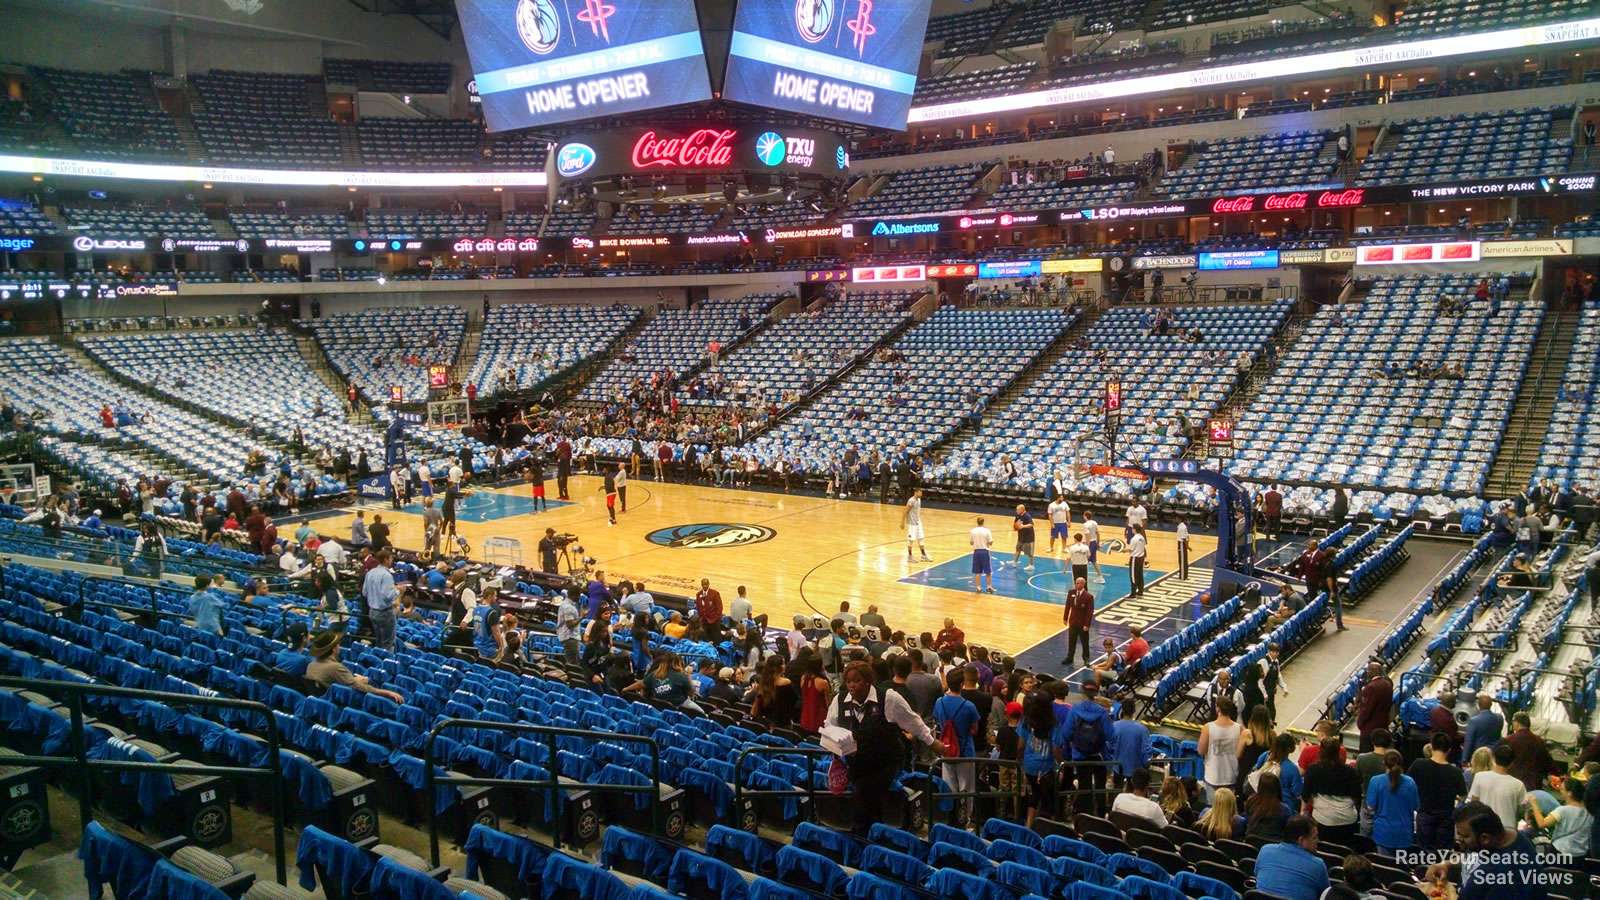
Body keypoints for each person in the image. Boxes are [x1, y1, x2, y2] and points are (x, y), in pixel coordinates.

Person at [826, 660, 945, 834]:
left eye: (856, 681)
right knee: (871, 808)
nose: (851, 685)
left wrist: (931, 742)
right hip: (856, 763)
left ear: (868, 681)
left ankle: (861, 840)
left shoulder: (888, 698)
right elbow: (829, 725)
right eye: (848, 681)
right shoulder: (840, 700)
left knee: (862, 808)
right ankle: (876, 836)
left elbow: (913, 721)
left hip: (884, 763)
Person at [1424, 804, 1548, 900]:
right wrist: (1446, 865)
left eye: (1465, 836)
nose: (1459, 840)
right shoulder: (1502, 837)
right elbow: (1475, 858)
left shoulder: (1505, 878)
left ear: (1485, 838)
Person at [933, 670, 980, 828]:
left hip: (946, 751)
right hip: (965, 753)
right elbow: (974, 730)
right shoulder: (969, 706)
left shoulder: (939, 702)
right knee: (967, 790)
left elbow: (938, 721)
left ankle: (951, 820)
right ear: (962, 684)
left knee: (950, 788)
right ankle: (964, 822)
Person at [304, 630, 405, 701]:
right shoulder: (335, 668)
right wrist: (387, 693)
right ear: (334, 649)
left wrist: (355, 680)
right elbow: (358, 688)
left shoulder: (311, 665)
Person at [1411, 731, 1467, 850]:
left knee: (1423, 852)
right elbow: (1463, 796)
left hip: (1424, 815)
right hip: (1446, 819)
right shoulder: (1455, 772)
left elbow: (1408, 784)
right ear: (1449, 750)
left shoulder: (1418, 765)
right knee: (1443, 854)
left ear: (1431, 746)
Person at [1253, 816, 1330, 900]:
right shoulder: (1318, 865)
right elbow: (1326, 896)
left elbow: (1256, 875)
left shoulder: (1265, 850)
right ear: (1301, 840)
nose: (1317, 840)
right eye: (1314, 837)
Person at [1304, 736, 1363, 845]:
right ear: (1338, 751)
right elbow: (1357, 797)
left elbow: (1305, 796)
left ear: (1321, 750)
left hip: (1322, 820)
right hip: (1347, 821)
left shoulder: (1313, 769)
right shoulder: (1350, 771)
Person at [1017, 690, 1062, 827]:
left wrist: (1019, 761)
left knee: (1035, 794)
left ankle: (1028, 825)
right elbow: (1056, 748)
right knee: (1051, 797)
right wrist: (1061, 764)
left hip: (1029, 766)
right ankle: (1053, 826)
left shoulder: (1026, 721)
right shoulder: (1053, 723)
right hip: (1047, 767)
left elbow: (1020, 745)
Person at [1365, 749, 1419, 854]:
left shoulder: (1376, 781)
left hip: (1383, 832)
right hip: (1404, 833)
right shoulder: (1410, 782)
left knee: (1384, 863)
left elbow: (1370, 807)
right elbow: (1416, 806)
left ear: (1384, 763)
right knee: (1401, 863)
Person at [1525, 775, 1592, 858]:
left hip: (1561, 852)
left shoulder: (1562, 810)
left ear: (1569, 793)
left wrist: (1534, 805)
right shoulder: (1589, 812)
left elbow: (1542, 823)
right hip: (1581, 854)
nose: (1560, 790)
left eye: (1562, 789)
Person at [1467, 742, 1528, 831]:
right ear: (1512, 763)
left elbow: (1474, 803)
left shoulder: (1479, 777)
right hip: (1507, 829)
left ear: (1494, 759)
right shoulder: (1518, 785)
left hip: (1483, 826)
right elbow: (1520, 810)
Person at [1198, 696, 1242, 802]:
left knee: (1214, 809)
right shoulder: (1239, 728)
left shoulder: (1208, 728)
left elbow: (1201, 751)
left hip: (1213, 776)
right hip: (1231, 776)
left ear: (1217, 708)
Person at [1293, 538, 1343, 629]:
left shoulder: (1322, 556)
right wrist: (1299, 577)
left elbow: (1323, 571)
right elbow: (1303, 566)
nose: (1308, 546)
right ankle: (1316, 618)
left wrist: (1322, 582)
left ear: (1315, 546)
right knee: (1314, 600)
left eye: (1310, 545)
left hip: (1318, 582)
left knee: (1320, 601)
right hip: (1309, 580)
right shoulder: (1305, 554)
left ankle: (1319, 616)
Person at [362, 549, 403, 652]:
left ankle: (377, 659)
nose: (391, 560)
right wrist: (399, 590)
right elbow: (388, 596)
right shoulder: (386, 575)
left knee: (379, 641)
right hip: (384, 613)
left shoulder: (370, 573)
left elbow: (364, 592)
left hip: (372, 612)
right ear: (386, 560)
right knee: (388, 643)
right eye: (390, 558)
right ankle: (386, 661)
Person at [1503, 711, 1555, 791]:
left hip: (1514, 784)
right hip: (1534, 785)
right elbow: (1547, 762)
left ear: (1517, 723)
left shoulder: (1508, 740)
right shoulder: (1540, 742)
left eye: (1513, 721)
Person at [1110, 702, 1152, 785]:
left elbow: (1108, 746)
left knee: (1117, 791)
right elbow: (1147, 749)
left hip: (1118, 768)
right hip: (1136, 770)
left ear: (1122, 710)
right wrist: (1145, 765)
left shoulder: (1114, 726)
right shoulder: (1142, 729)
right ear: (1134, 710)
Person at [750, 656, 797, 729]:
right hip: (782, 723)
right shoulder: (786, 682)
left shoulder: (764, 682)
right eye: (783, 664)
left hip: (766, 723)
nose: (785, 666)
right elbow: (793, 700)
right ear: (778, 667)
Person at [1355, 662, 1393, 751]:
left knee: (1366, 752)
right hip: (1383, 724)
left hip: (1370, 728)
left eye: (1369, 670)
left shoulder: (1371, 687)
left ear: (1375, 672)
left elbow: (1367, 709)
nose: (1367, 672)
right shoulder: (1387, 684)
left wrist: (1360, 723)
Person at [1061, 576, 1094, 666]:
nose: (1076, 584)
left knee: (1084, 641)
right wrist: (1065, 618)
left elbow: (1089, 612)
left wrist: (1087, 624)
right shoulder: (1071, 592)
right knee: (1071, 641)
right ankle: (1070, 657)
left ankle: (1086, 658)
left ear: (1083, 584)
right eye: (1075, 583)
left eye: (1078, 583)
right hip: (1073, 622)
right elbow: (1068, 605)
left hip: (1082, 624)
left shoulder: (1088, 597)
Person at [1464, 693, 1504, 761]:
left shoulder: (1473, 721)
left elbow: (1469, 741)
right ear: (1491, 704)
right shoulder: (1499, 718)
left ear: (1479, 705)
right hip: (1494, 754)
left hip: (1479, 755)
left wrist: (1465, 759)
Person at [902, 488, 931, 562]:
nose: (921, 494)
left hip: (918, 522)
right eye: (920, 493)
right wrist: (902, 522)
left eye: (921, 493)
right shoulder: (911, 501)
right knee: (911, 540)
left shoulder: (919, 500)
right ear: (915, 492)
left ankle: (923, 555)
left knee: (921, 537)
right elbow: (905, 511)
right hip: (912, 523)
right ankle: (910, 556)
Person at [557, 586, 582, 665]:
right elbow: (570, 624)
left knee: (573, 661)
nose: (579, 597)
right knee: (572, 664)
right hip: (570, 637)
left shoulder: (565, 604)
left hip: (568, 637)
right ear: (574, 595)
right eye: (579, 595)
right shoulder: (568, 607)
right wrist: (582, 617)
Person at [970, 516, 995, 594]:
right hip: (984, 552)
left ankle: (978, 589)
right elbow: (990, 542)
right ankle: (989, 588)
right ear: (983, 522)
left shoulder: (972, 531)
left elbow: (971, 542)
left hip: (976, 552)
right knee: (988, 571)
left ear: (977, 522)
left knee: (977, 571)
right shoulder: (987, 531)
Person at [1011, 504, 1036, 571]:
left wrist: (1023, 526)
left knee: (1029, 552)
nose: (1016, 511)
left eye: (1017, 510)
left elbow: (1031, 524)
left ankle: (1031, 565)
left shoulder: (1027, 516)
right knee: (1018, 549)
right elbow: (1015, 524)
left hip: (1028, 537)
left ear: (1022, 510)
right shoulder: (1018, 516)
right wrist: (1015, 527)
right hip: (1021, 536)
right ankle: (1015, 562)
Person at [1082, 512, 1105, 583]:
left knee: (1084, 561)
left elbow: (1088, 536)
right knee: (1094, 561)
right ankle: (1100, 577)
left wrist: (1087, 547)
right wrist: (1097, 543)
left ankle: (1083, 577)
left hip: (1089, 543)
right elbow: (1098, 534)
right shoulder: (1095, 522)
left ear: (1085, 516)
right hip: (1094, 542)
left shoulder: (1085, 525)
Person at [1128, 524, 1147, 596]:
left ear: (1135, 529)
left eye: (1133, 528)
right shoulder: (1142, 537)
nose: (1132, 529)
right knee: (1139, 575)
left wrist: (1123, 550)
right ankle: (1140, 591)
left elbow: (1131, 549)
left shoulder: (1134, 539)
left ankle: (1133, 593)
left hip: (1135, 558)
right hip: (1141, 558)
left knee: (1133, 576)